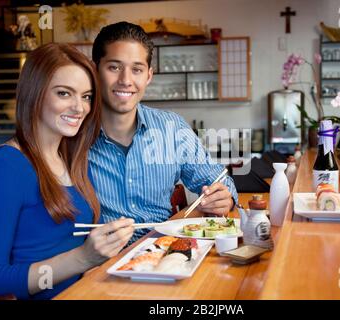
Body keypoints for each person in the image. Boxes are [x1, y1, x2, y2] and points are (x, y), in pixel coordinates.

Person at [0, 43, 134, 300]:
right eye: (64, 93)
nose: (80, 108)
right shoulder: (4, 167)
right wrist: (82, 258)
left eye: (86, 96)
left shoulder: (75, 162)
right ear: (34, 94)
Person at [89, 21, 238, 243]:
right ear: (94, 70)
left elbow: (219, 181)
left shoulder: (172, 129)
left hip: (162, 252)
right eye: (114, 67)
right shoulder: (74, 134)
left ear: (149, 76)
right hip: (100, 263)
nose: (126, 80)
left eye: (137, 70)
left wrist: (224, 197)